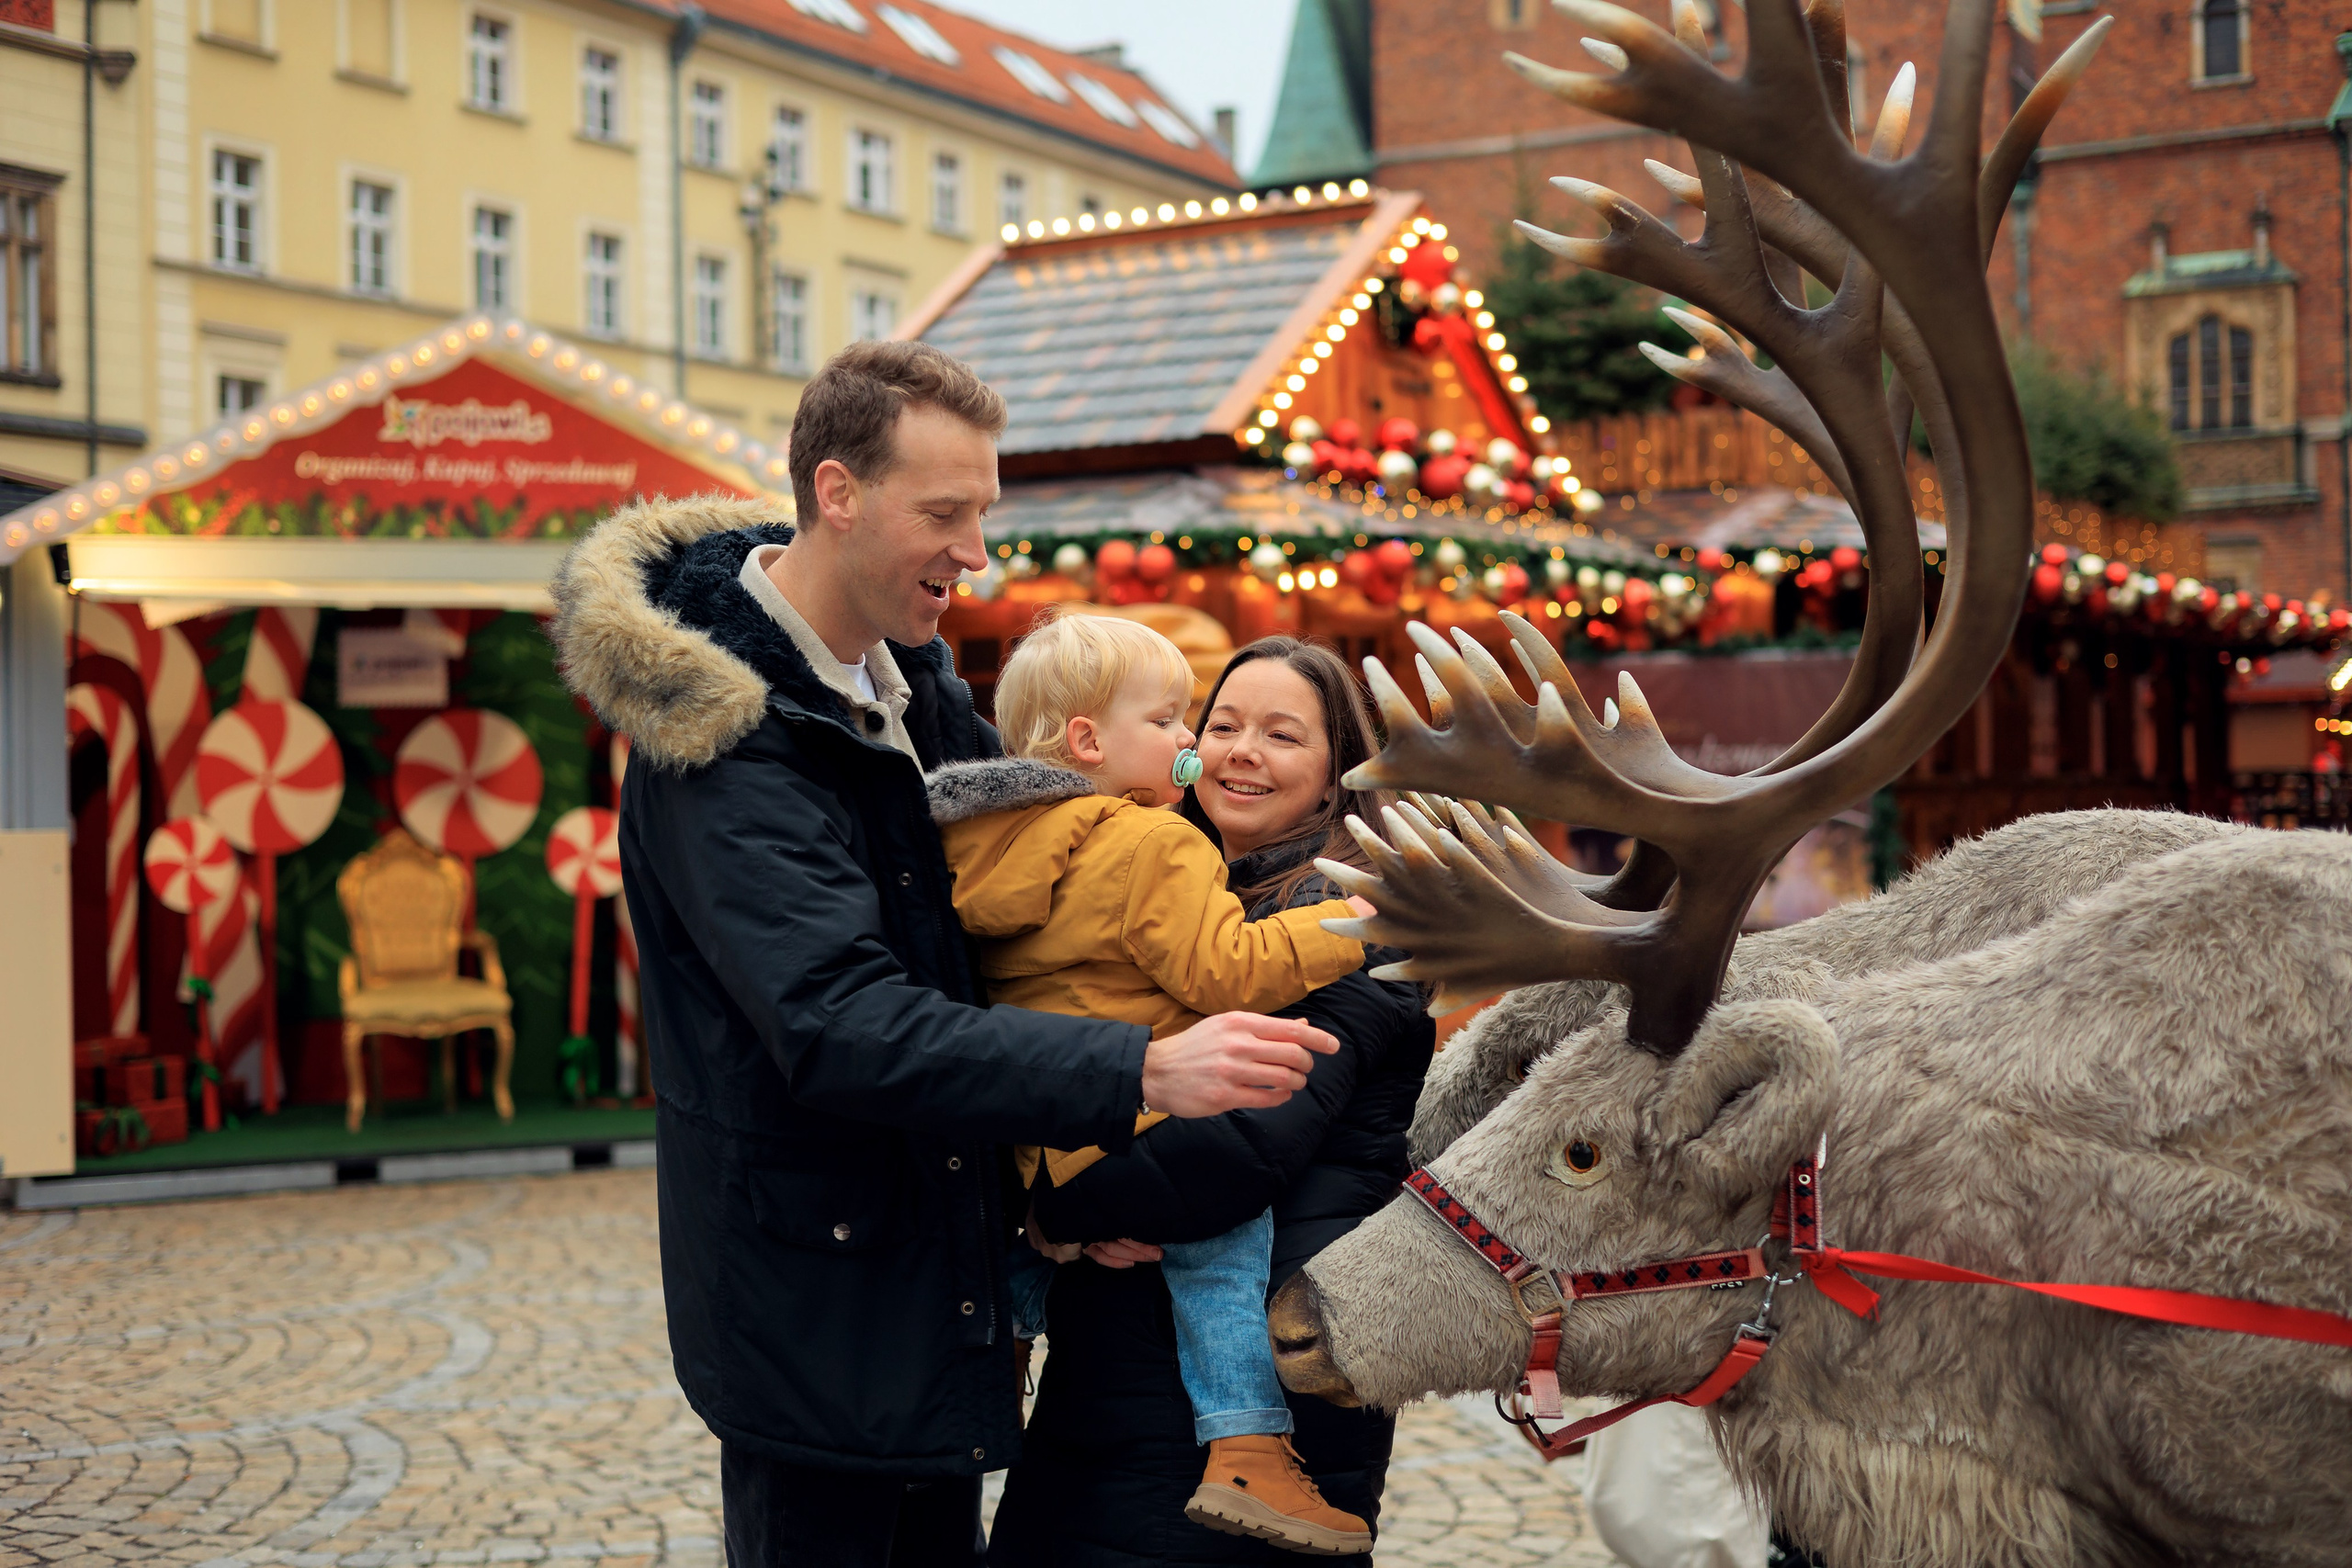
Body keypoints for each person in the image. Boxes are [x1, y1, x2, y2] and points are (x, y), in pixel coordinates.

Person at [548, 342, 1341, 1568]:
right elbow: (841, 1021)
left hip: (935, 1269)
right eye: (945, 513)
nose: (977, 551)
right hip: (819, 1300)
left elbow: (999, 949)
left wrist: (1057, 1193)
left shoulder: (917, 682)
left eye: (983, 511)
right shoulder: (723, 743)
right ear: (838, 493)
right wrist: (1137, 1071)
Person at [926, 612, 1378, 1557]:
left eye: (1282, 734)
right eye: (1214, 724)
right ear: (1093, 739)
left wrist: (1054, 1208)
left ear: (1339, 772)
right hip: (1115, 1389)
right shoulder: (1164, 854)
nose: (1229, 749)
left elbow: (1235, 1153)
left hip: (1239, 1370)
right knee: (1220, 1253)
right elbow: (1225, 974)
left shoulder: (993, 847)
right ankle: (1244, 1444)